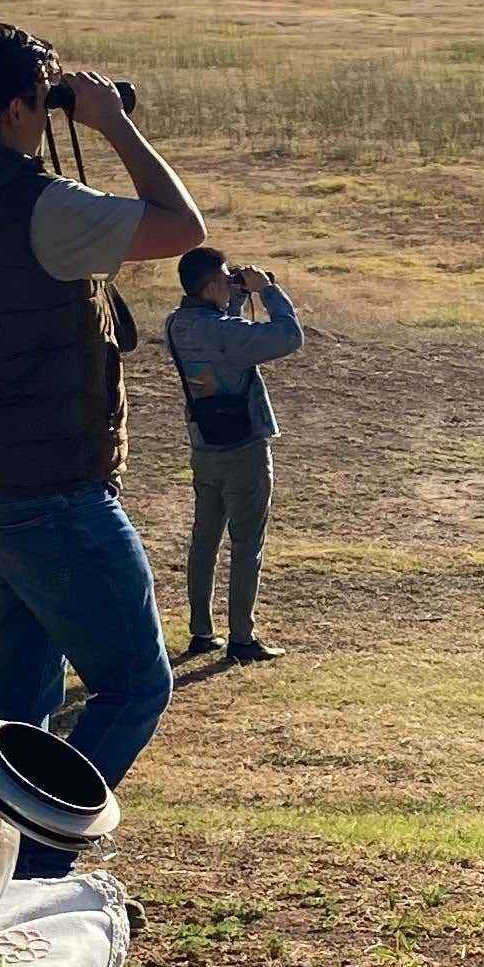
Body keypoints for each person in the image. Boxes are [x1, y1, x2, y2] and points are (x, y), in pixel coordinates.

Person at [0, 18, 203, 879]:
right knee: (135, 685)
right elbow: (182, 226)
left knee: (20, 698)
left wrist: (58, 108)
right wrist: (111, 123)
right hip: (52, 483)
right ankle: (27, 872)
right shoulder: (39, 208)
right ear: (20, 106)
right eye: (46, 93)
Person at [163, 249, 301, 662]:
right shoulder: (224, 331)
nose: (231, 283)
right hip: (243, 449)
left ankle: (201, 631)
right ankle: (242, 637)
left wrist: (236, 296)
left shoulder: (175, 325)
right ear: (209, 287)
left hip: (204, 446)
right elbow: (288, 337)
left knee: (204, 539)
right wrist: (268, 291)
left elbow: (222, 335)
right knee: (246, 543)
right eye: (225, 279)